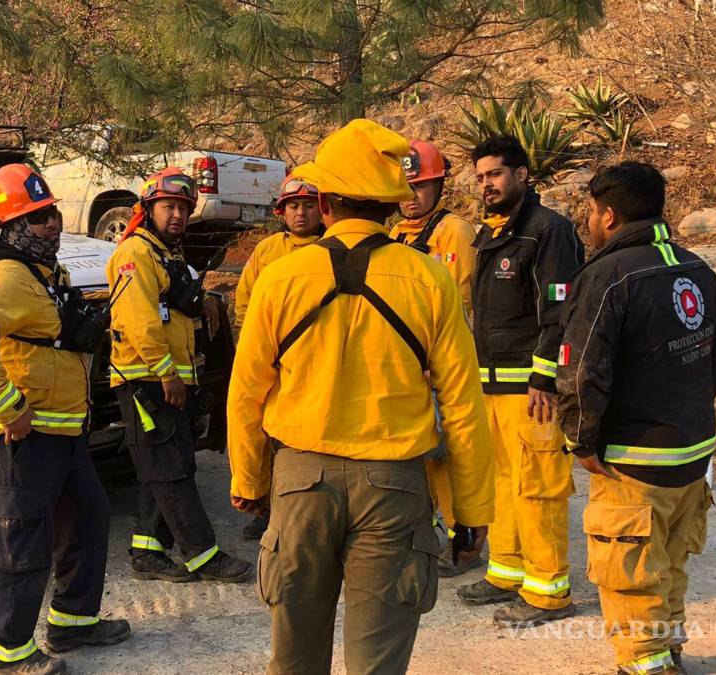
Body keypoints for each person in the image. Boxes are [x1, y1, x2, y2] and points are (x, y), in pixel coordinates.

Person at [227, 119, 495, 674]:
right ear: (393, 206)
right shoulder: (430, 280)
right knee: (377, 664)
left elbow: (247, 392)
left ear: (325, 202)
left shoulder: (281, 277)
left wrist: (249, 480)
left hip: (300, 483)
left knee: (294, 661)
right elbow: (463, 404)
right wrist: (470, 511)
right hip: (394, 490)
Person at [558, 162, 716, 675]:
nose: (589, 221)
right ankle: (668, 653)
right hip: (692, 452)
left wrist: (581, 441)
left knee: (630, 574)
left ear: (609, 216)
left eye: (591, 211)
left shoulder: (606, 277)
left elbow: (582, 372)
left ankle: (647, 664)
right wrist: (687, 407)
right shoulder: (697, 268)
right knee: (670, 563)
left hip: (634, 459)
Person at [0, 164, 131, 674]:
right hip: (26, 437)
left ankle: (73, 622)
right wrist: (9, 408)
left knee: (88, 519)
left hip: (64, 431)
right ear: (11, 229)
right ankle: (8, 652)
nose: (51, 224)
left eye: (52, 213)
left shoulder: (46, 274)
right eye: (36, 218)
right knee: (23, 539)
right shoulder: (6, 277)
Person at [455, 135, 584, 628]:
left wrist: (545, 377)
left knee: (539, 487)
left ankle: (549, 592)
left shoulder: (548, 230)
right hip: (491, 386)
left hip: (532, 390)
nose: (486, 184)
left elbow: (560, 310)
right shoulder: (491, 233)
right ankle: (507, 572)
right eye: (480, 177)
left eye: (495, 174)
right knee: (503, 482)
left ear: (522, 175)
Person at [106, 167, 252, 584]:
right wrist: (166, 374)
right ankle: (202, 555)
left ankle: (147, 550)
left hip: (169, 379)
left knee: (163, 467)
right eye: (168, 207)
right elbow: (140, 321)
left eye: (184, 209)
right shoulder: (135, 253)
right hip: (148, 380)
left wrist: (204, 302)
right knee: (172, 470)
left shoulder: (166, 255)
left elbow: (176, 302)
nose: (177, 216)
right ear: (148, 209)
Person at [391, 139, 480, 577]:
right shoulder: (393, 235)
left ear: (439, 186)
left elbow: (460, 304)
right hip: (405, 365)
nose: (412, 196)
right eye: (405, 187)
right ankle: (426, 534)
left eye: (420, 186)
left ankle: (464, 542)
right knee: (415, 458)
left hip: (439, 363)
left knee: (448, 457)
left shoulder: (454, 232)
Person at [233, 175, 322, 540]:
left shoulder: (331, 248)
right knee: (267, 433)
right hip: (270, 358)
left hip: (315, 361)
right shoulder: (267, 251)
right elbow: (244, 300)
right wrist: (251, 346)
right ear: (281, 212)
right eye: (293, 206)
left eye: (309, 205)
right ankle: (266, 506)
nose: (301, 213)